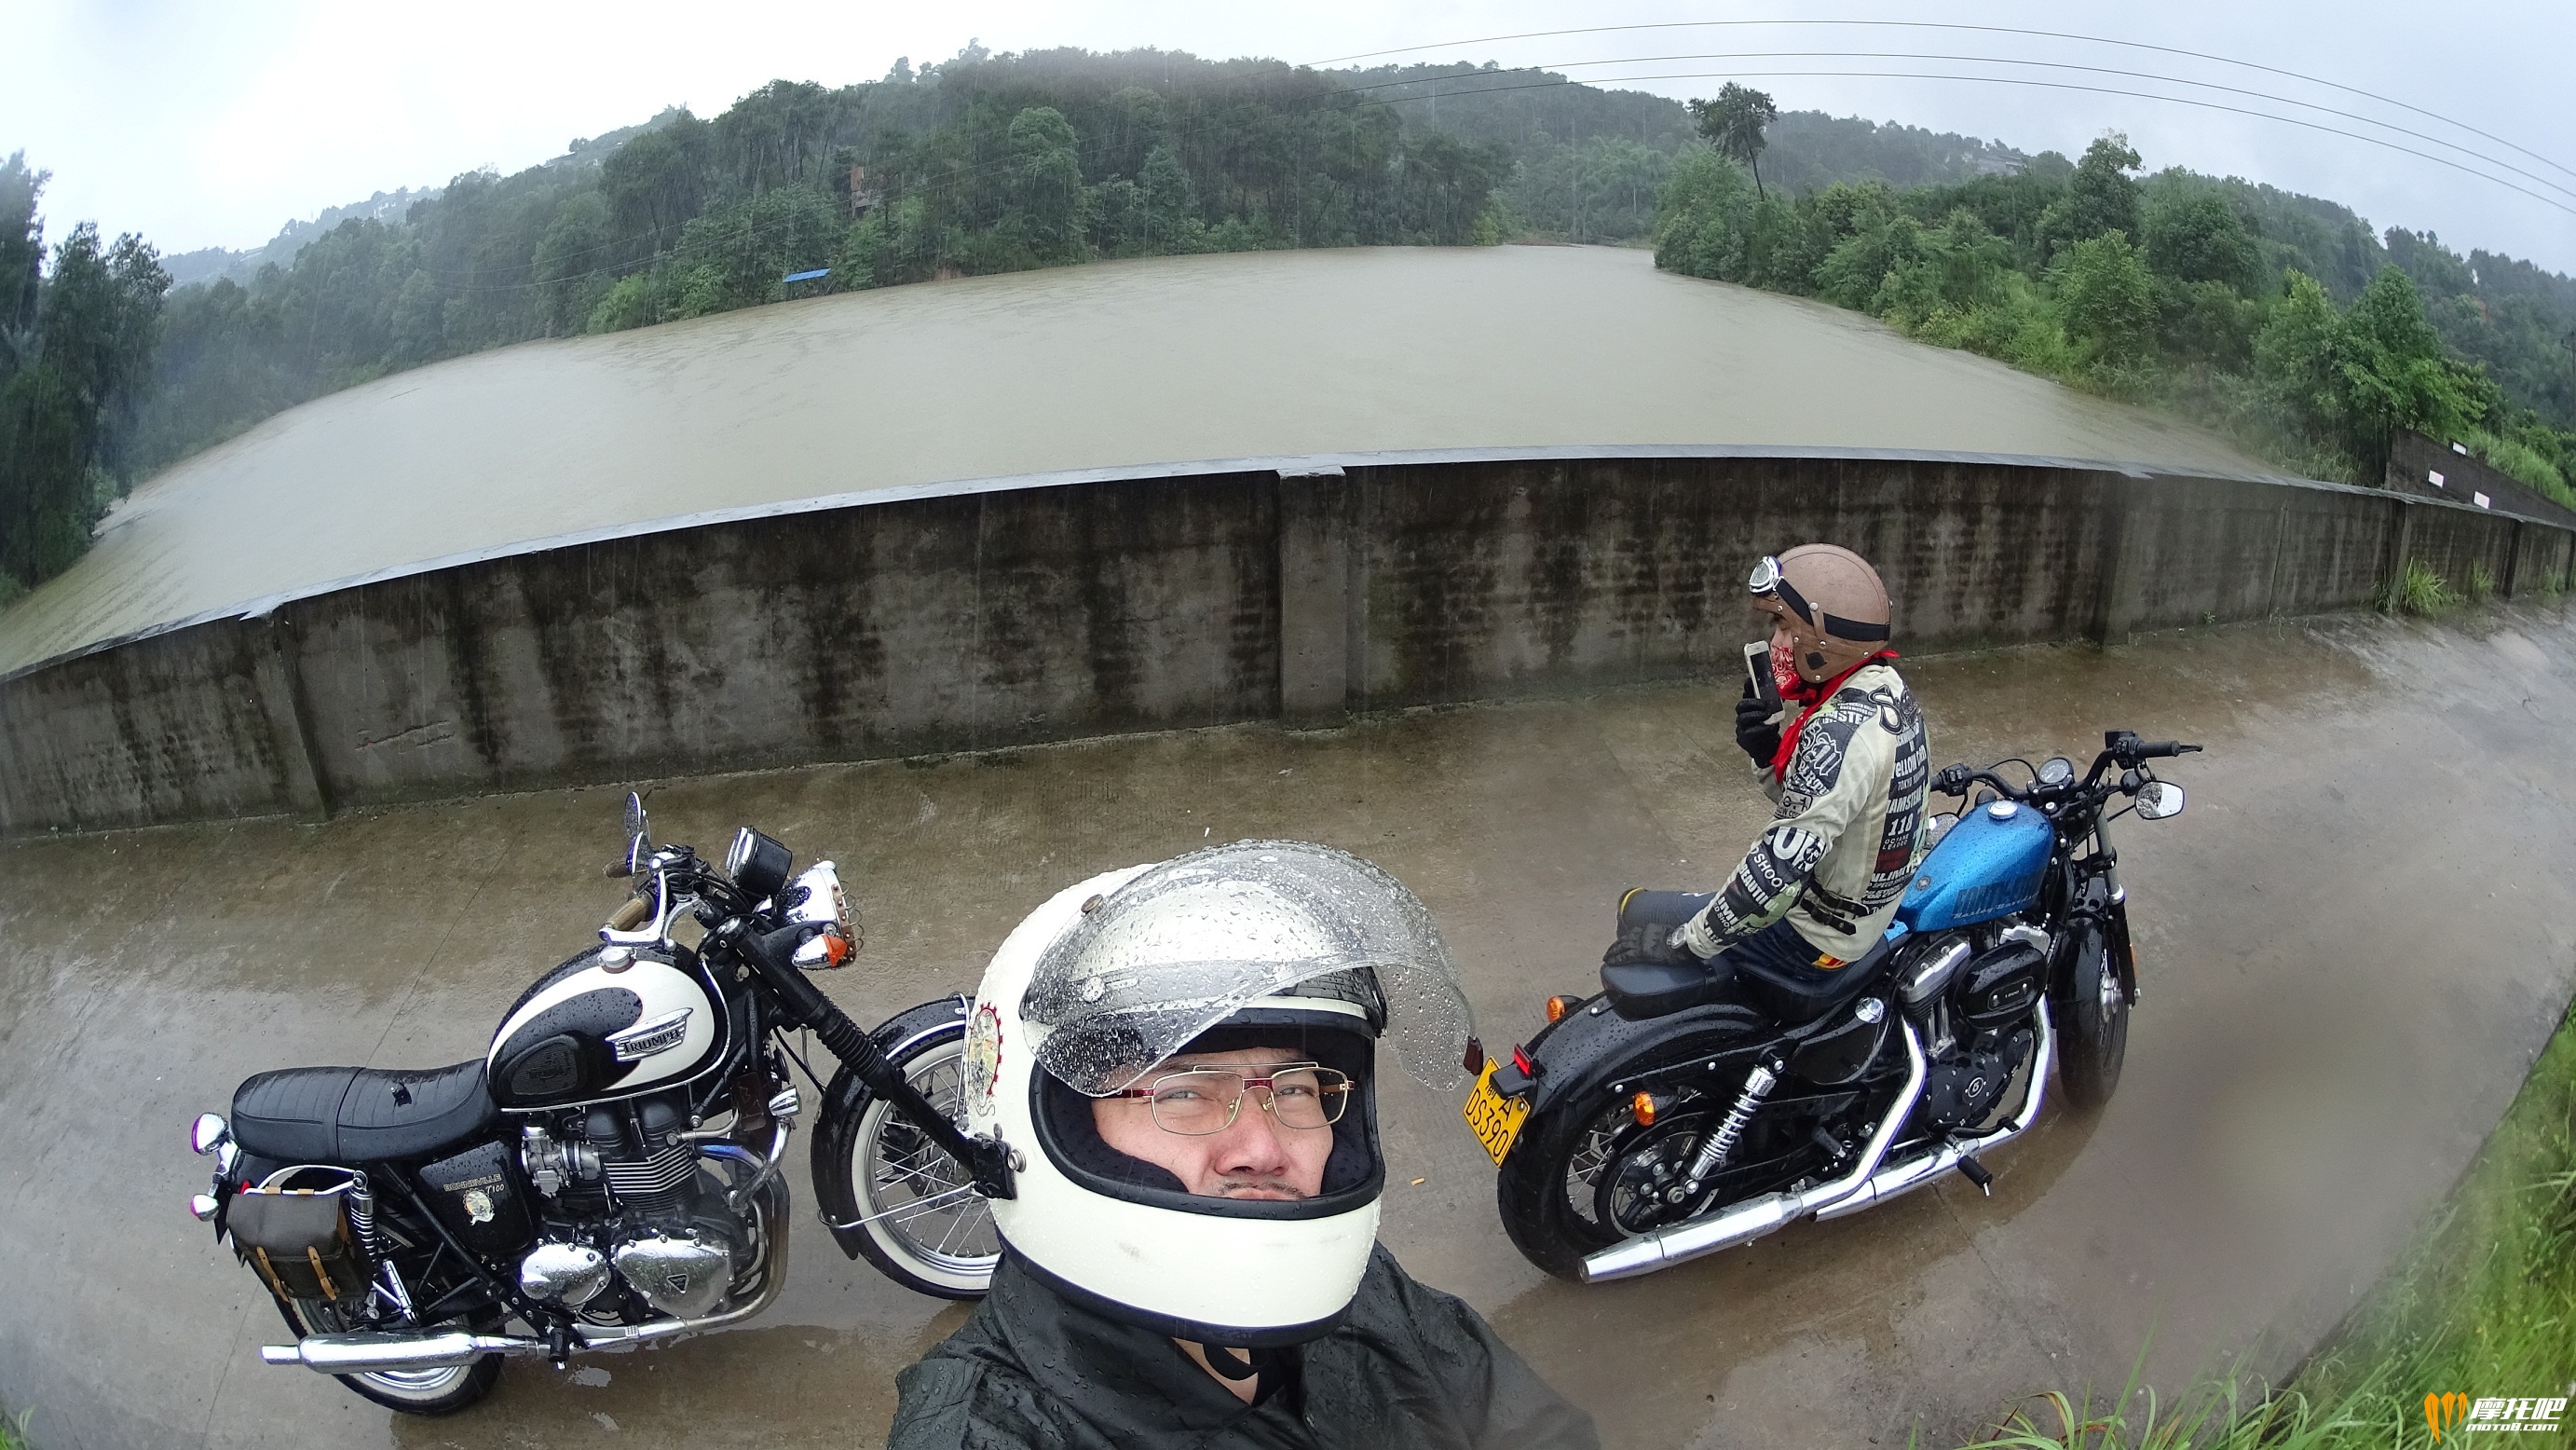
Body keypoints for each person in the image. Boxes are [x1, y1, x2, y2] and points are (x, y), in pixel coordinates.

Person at [889, 841, 1598, 1450]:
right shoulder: (984, 1428)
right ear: (1051, 1128)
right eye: (1184, 1092)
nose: (1262, 1149)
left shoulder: (1363, 1290)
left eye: (1294, 1088)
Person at [1605, 544, 1929, 981]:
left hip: (1810, 939)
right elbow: (1822, 805)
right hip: (1853, 918)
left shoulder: (1838, 733)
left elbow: (1775, 874)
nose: (1774, 642)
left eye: (1781, 625)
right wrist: (1766, 752)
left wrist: (1681, 943)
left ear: (1821, 641)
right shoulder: (1887, 691)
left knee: (1637, 910)